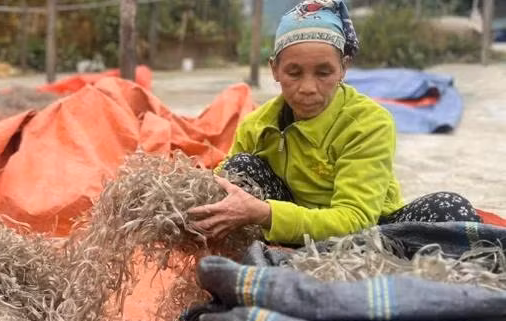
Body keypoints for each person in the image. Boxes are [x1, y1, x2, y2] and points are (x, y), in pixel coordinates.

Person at [188, 0, 481, 246]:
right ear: (274, 70)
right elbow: (224, 189)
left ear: (343, 68)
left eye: (323, 72)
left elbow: (355, 219)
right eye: (294, 73)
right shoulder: (257, 125)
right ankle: (270, 261)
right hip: (291, 228)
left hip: (370, 235)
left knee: (451, 210)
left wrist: (266, 214)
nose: (308, 88)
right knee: (240, 170)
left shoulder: (368, 123)